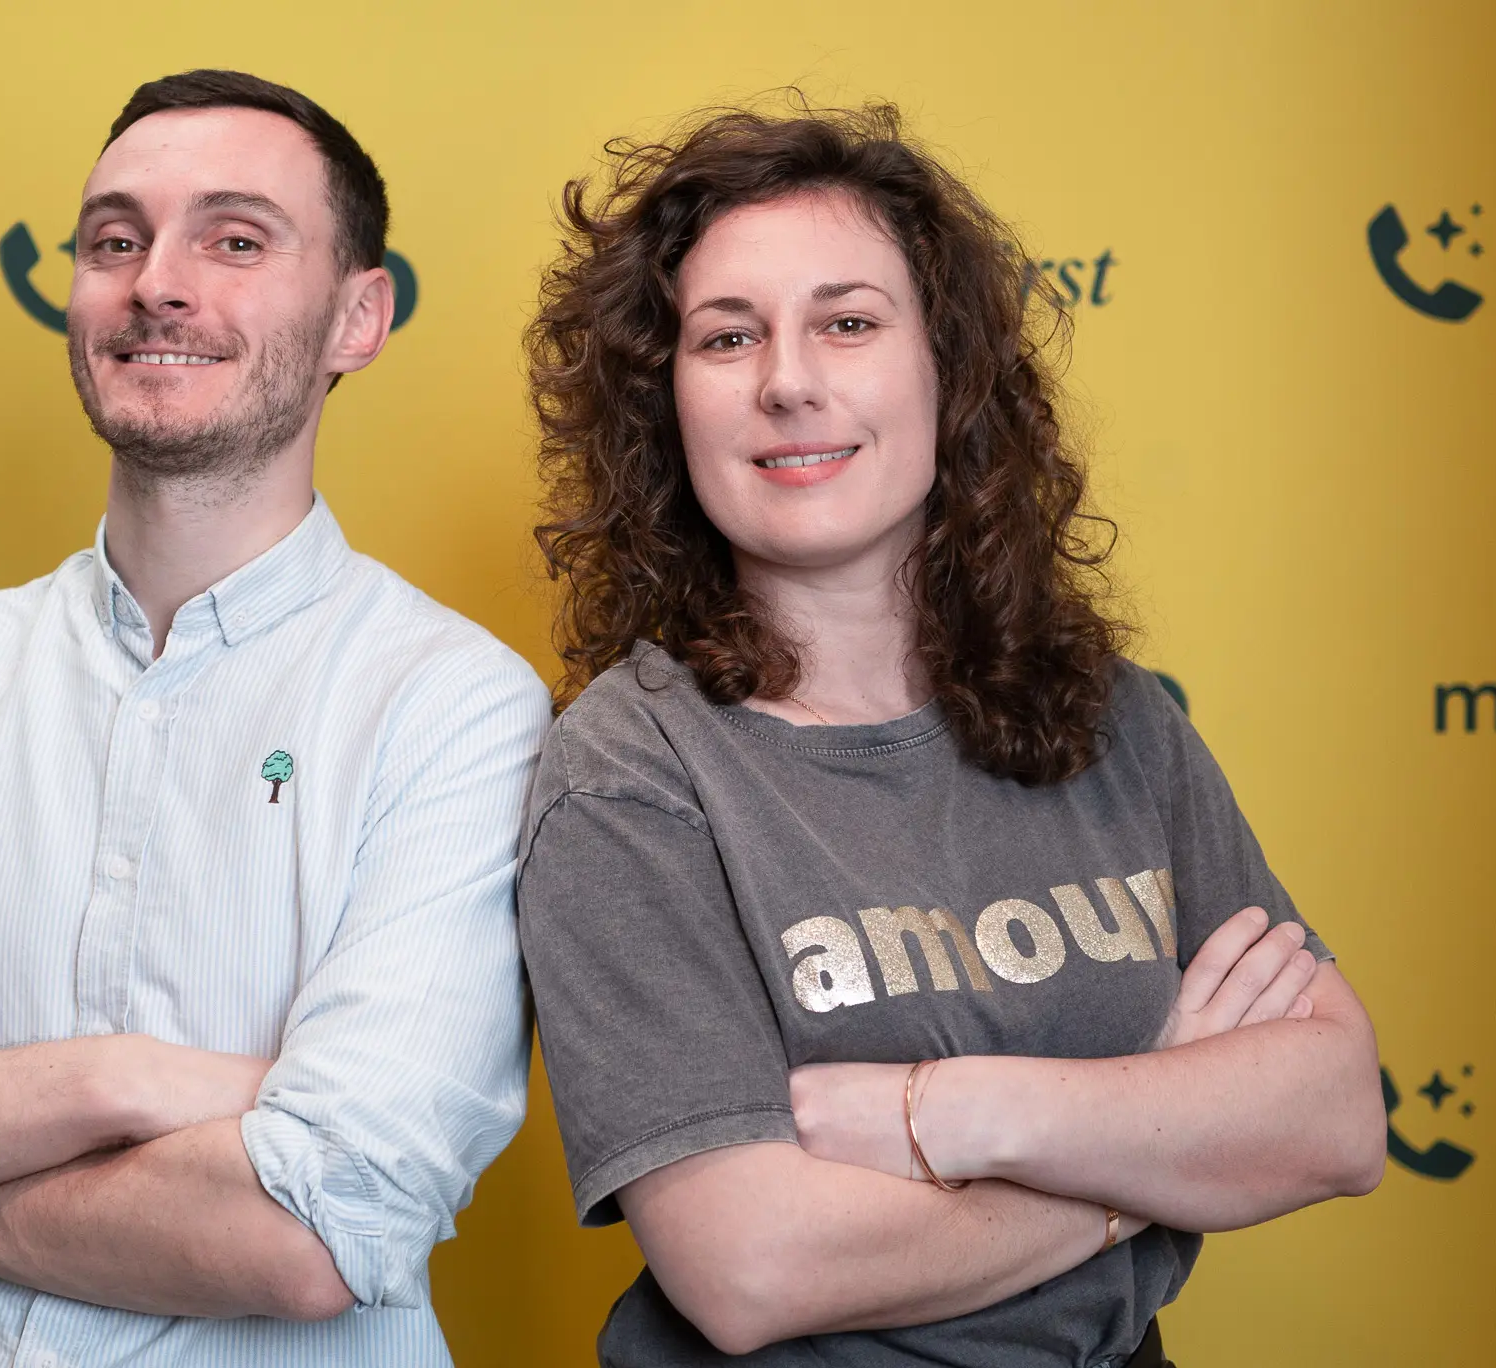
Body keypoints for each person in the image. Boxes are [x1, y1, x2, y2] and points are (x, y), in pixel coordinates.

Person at [0, 69, 550, 1367]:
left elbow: (313, 1232)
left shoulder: (454, 707)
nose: (155, 284)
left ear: (359, 317)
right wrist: (113, 1078)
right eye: (114, 241)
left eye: (235, 242)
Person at [516, 101, 1386, 1367]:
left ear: (947, 370)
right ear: (665, 406)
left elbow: (1334, 1116)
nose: (786, 381)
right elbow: (749, 1268)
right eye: (726, 337)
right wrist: (1153, 1144)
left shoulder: (1112, 716)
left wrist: (954, 1113)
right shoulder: (630, 770)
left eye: (847, 322)